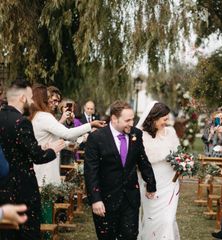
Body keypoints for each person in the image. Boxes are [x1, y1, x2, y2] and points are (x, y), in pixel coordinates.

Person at [0, 79, 65, 240]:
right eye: (30, 97)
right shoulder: (21, 122)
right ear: (23, 98)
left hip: (3, 188)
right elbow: (37, 157)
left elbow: (14, 148)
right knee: (28, 233)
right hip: (22, 188)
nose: (32, 102)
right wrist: (51, 150)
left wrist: (39, 148)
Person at [84, 100, 156, 240]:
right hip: (105, 200)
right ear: (114, 119)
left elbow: (142, 160)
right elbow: (90, 171)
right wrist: (95, 199)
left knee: (130, 236)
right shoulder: (97, 138)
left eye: (133, 119)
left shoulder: (136, 134)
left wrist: (151, 184)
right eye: (127, 120)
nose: (131, 123)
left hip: (130, 199)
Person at [30, 84, 105, 186]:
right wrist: (91, 125)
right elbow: (67, 133)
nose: (54, 103)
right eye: (50, 99)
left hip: (46, 165)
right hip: (45, 169)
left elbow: (54, 139)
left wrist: (74, 142)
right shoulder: (44, 116)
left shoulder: (37, 115)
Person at [136, 102, 181, 240]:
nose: (166, 122)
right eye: (164, 119)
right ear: (154, 118)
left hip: (170, 183)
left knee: (167, 219)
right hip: (150, 183)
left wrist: (183, 164)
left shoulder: (171, 132)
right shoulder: (140, 135)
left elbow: (178, 154)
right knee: (152, 219)